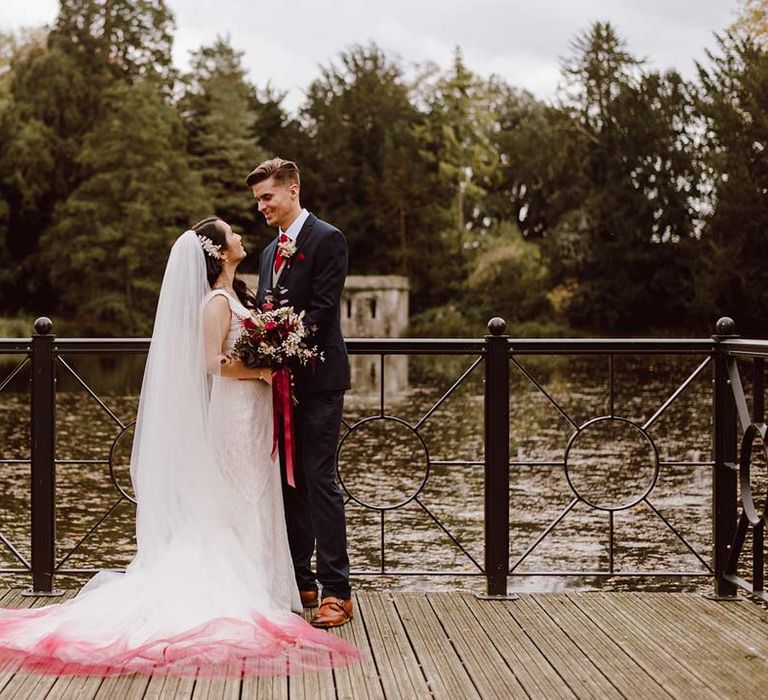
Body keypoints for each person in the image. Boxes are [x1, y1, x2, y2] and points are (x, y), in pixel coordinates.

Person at [0, 221, 358, 677]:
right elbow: (213, 364)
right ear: (218, 252)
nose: (242, 234)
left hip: (253, 415)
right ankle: (249, 585)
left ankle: (274, 582)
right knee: (241, 493)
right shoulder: (215, 302)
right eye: (231, 233)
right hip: (236, 415)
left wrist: (270, 356)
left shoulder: (238, 295)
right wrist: (261, 373)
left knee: (260, 493)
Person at [247, 158, 352, 628]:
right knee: (290, 484)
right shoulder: (269, 253)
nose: (262, 206)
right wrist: (260, 345)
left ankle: (337, 592)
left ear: (292, 190)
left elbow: (324, 312)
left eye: (267, 197)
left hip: (320, 380)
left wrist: (279, 349)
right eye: (257, 200)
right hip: (279, 384)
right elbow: (268, 309)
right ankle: (299, 580)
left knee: (320, 479)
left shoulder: (328, 239)